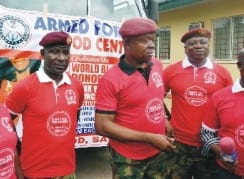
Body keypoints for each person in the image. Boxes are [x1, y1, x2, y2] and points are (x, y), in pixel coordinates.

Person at [95, 17, 176, 179]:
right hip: (128, 158)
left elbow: (155, 97)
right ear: (127, 43)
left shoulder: (157, 65)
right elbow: (102, 126)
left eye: (153, 40)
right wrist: (149, 138)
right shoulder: (111, 79)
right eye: (144, 41)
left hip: (159, 154)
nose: (152, 45)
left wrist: (165, 119)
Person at [5, 31, 84, 179]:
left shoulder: (77, 86)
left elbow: (75, 119)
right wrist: (17, 148)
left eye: (65, 52)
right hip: (34, 171)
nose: (61, 58)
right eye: (54, 52)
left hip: (67, 170)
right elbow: (5, 121)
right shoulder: (25, 87)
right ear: (42, 54)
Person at [163, 28, 233, 179]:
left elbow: (230, 105)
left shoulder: (222, 73)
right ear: (185, 48)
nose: (198, 46)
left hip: (210, 143)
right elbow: (154, 97)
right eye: (192, 43)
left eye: (203, 42)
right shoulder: (171, 71)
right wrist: (164, 119)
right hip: (179, 142)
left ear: (209, 46)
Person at [200, 48, 244, 178]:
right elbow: (206, 133)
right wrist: (223, 154)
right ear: (239, 65)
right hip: (227, 172)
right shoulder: (220, 97)